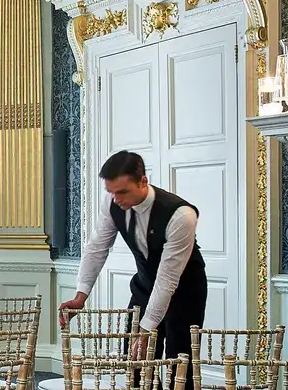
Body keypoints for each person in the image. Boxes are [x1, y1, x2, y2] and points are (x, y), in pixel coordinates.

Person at [58, 150, 207, 365]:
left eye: (122, 192)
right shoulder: (113, 202)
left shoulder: (181, 216)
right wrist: (80, 297)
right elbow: (96, 248)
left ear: (143, 182)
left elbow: (167, 280)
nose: (116, 199)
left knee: (179, 367)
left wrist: (145, 332)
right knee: (135, 364)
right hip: (145, 287)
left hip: (185, 293)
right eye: (111, 192)